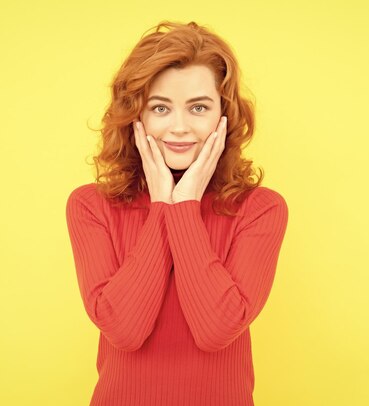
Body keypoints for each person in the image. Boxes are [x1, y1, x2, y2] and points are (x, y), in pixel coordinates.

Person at [65, 20, 289, 406]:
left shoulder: (260, 210)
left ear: (225, 116)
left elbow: (216, 330)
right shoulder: (91, 206)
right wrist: (161, 207)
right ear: (136, 116)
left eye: (198, 107)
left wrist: (183, 205)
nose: (180, 128)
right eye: (161, 108)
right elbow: (125, 330)